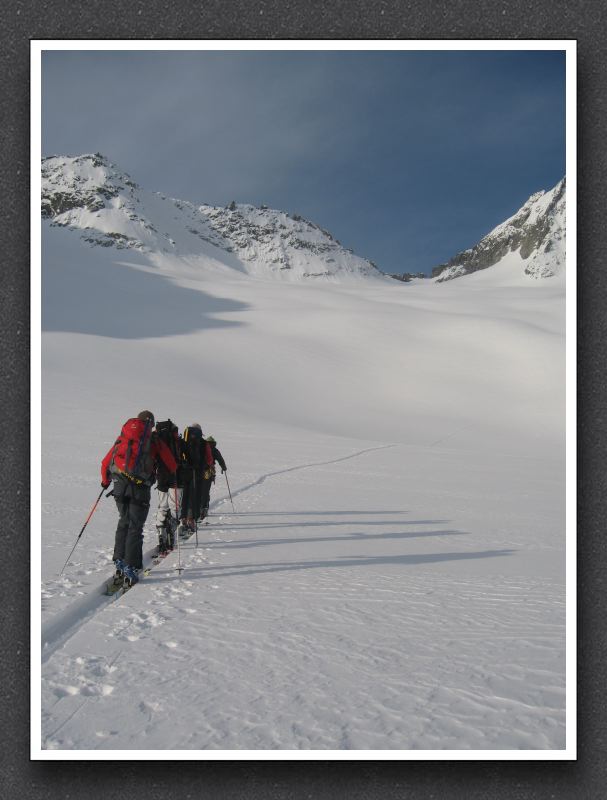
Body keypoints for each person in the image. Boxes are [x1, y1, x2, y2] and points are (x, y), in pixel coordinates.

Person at [101, 411, 177, 586]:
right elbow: (171, 464)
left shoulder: (125, 436)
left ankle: (119, 562)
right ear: (151, 423)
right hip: (140, 488)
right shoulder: (153, 440)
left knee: (123, 521)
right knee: (135, 526)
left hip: (119, 486)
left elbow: (106, 462)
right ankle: (132, 567)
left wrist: (105, 481)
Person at [154, 418, 183, 555]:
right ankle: (172, 530)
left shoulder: (158, 437)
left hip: (161, 476)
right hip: (174, 475)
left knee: (163, 505)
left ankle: (161, 531)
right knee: (175, 505)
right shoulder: (175, 438)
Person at [179, 423, 212, 532]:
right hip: (197, 473)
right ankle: (191, 519)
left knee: (185, 495)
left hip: (185, 472)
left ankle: (183, 518)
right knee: (195, 496)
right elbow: (209, 459)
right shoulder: (204, 443)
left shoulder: (184, 441)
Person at [199, 435, 227, 520]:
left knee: (199, 490)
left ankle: (200, 508)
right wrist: (224, 467)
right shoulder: (215, 450)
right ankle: (205, 507)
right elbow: (220, 459)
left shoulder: (202, 448)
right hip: (209, 472)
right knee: (206, 490)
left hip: (199, 472)